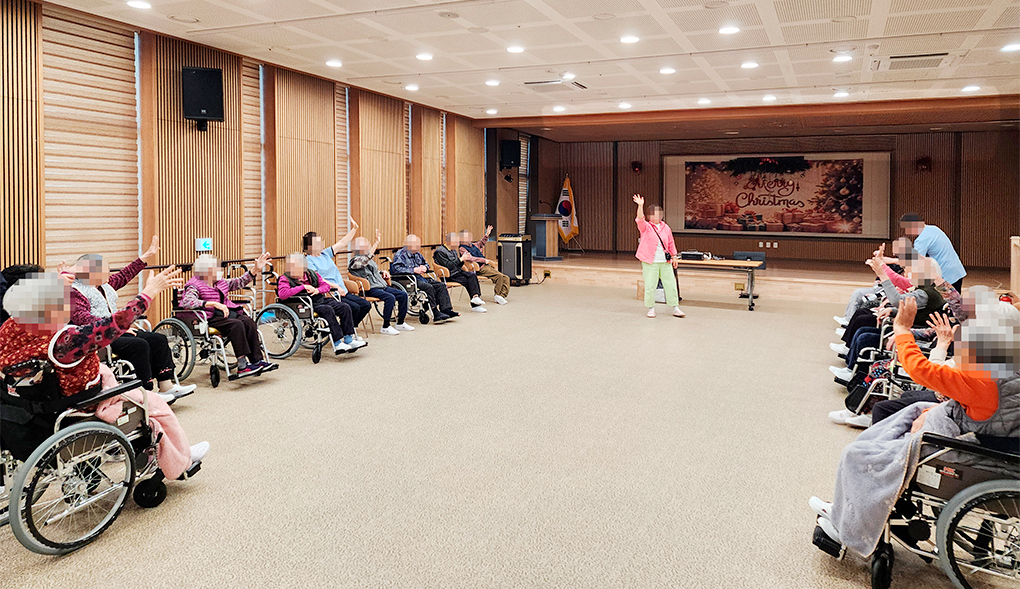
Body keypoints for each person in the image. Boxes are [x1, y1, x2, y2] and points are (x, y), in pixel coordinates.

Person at [810, 297, 1019, 559]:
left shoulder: (986, 376)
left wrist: (902, 329)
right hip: (991, 442)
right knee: (906, 415)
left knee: (859, 455)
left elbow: (921, 370)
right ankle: (848, 511)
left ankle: (849, 527)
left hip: (966, 449)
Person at [0, 269, 207, 480]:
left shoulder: (9, 328)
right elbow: (112, 326)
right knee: (154, 405)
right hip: (80, 403)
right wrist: (148, 293)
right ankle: (180, 459)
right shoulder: (65, 342)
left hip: (33, 403)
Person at [69, 236, 196, 404]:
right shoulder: (75, 291)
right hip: (100, 337)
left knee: (158, 339)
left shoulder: (103, 285)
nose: (109, 273)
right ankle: (145, 391)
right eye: (104, 270)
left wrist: (146, 256)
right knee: (139, 345)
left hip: (118, 329)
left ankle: (166, 385)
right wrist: (116, 325)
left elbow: (125, 275)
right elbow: (83, 318)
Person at [179, 252, 278, 379]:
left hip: (225, 313)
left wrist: (255, 269)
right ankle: (242, 364)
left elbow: (239, 282)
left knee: (249, 322)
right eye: (216, 268)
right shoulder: (194, 284)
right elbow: (187, 302)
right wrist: (213, 304)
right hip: (208, 317)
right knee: (236, 325)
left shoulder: (219, 282)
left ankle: (256, 361)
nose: (219, 270)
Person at [277, 253, 366, 354]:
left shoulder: (312, 274)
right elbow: (282, 294)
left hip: (319, 299)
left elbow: (326, 286)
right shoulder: (284, 278)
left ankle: (349, 339)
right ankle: (337, 343)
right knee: (327, 310)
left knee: (344, 307)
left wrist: (317, 290)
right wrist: (303, 287)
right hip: (305, 304)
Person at [303, 221, 371, 337]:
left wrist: (354, 229)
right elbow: (318, 279)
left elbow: (342, 242)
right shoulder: (308, 260)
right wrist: (336, 287)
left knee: (365, 305)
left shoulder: (325, 253)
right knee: (353, 307)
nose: (322, 243)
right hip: (331, 293)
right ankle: (346, 333)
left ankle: (343, 330)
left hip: (342, 290)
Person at [348, 232, 414, 336]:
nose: (367, 247)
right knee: (390, 298)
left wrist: (383, 272)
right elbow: (363, 262)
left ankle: (400, 322)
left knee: (403, 295)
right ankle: (386, 326)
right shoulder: (355, 261)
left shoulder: (369, 259)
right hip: (369, 289)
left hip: (381, 286)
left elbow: (372, 272)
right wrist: (376, 243)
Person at [633, 194, 683, 318]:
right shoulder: (646, 227)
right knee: (650, 285)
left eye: (659, 214)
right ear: (649, 216)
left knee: (671, 284)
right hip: (650, 261)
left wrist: (674, 256)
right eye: (654, 214)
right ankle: (651, 308)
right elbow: (639, 219)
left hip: (665, 261)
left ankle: (675, 307)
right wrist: (640, 205)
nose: (658, 216)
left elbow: (671, 243)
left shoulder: (666, 227)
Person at [391, 234, 459, 322]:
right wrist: (414, 270)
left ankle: (446, 310)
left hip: (419, 278)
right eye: (417, 244)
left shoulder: (418, 254)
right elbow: (396, 269)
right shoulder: (400, 255)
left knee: (440, 285)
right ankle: (435, 312)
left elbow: (426, 264)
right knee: (428, 287)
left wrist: (425, 267)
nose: (419, 246)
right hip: (407, 279)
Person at [898, 213, 966, 292]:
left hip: (946, 276)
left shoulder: (921, 240)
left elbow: (914, 262)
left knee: (947, 299)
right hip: (956, 271)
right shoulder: (934, 228)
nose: (906, 232)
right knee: (955, 298)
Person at [434, 232, 486, 313]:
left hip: (457, 272)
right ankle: (476, 305)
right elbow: (448, 266)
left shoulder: (454, 250)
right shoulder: (440, 252)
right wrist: (461, 259)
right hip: (449, 275)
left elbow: (457, 265)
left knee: (472, 275)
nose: (457, 243)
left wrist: (463, 260)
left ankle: (475, 297)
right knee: (469, 282)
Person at [458, 226, 509, 305]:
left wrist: (487, 234)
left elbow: (481, 243)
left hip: (485, 266)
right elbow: (471, 258)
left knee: (506, 278)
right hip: (479, 268)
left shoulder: (473, 245)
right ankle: (498, 294)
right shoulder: (462, 248)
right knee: (499, 277)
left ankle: (501, 295)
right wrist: (484, 260)